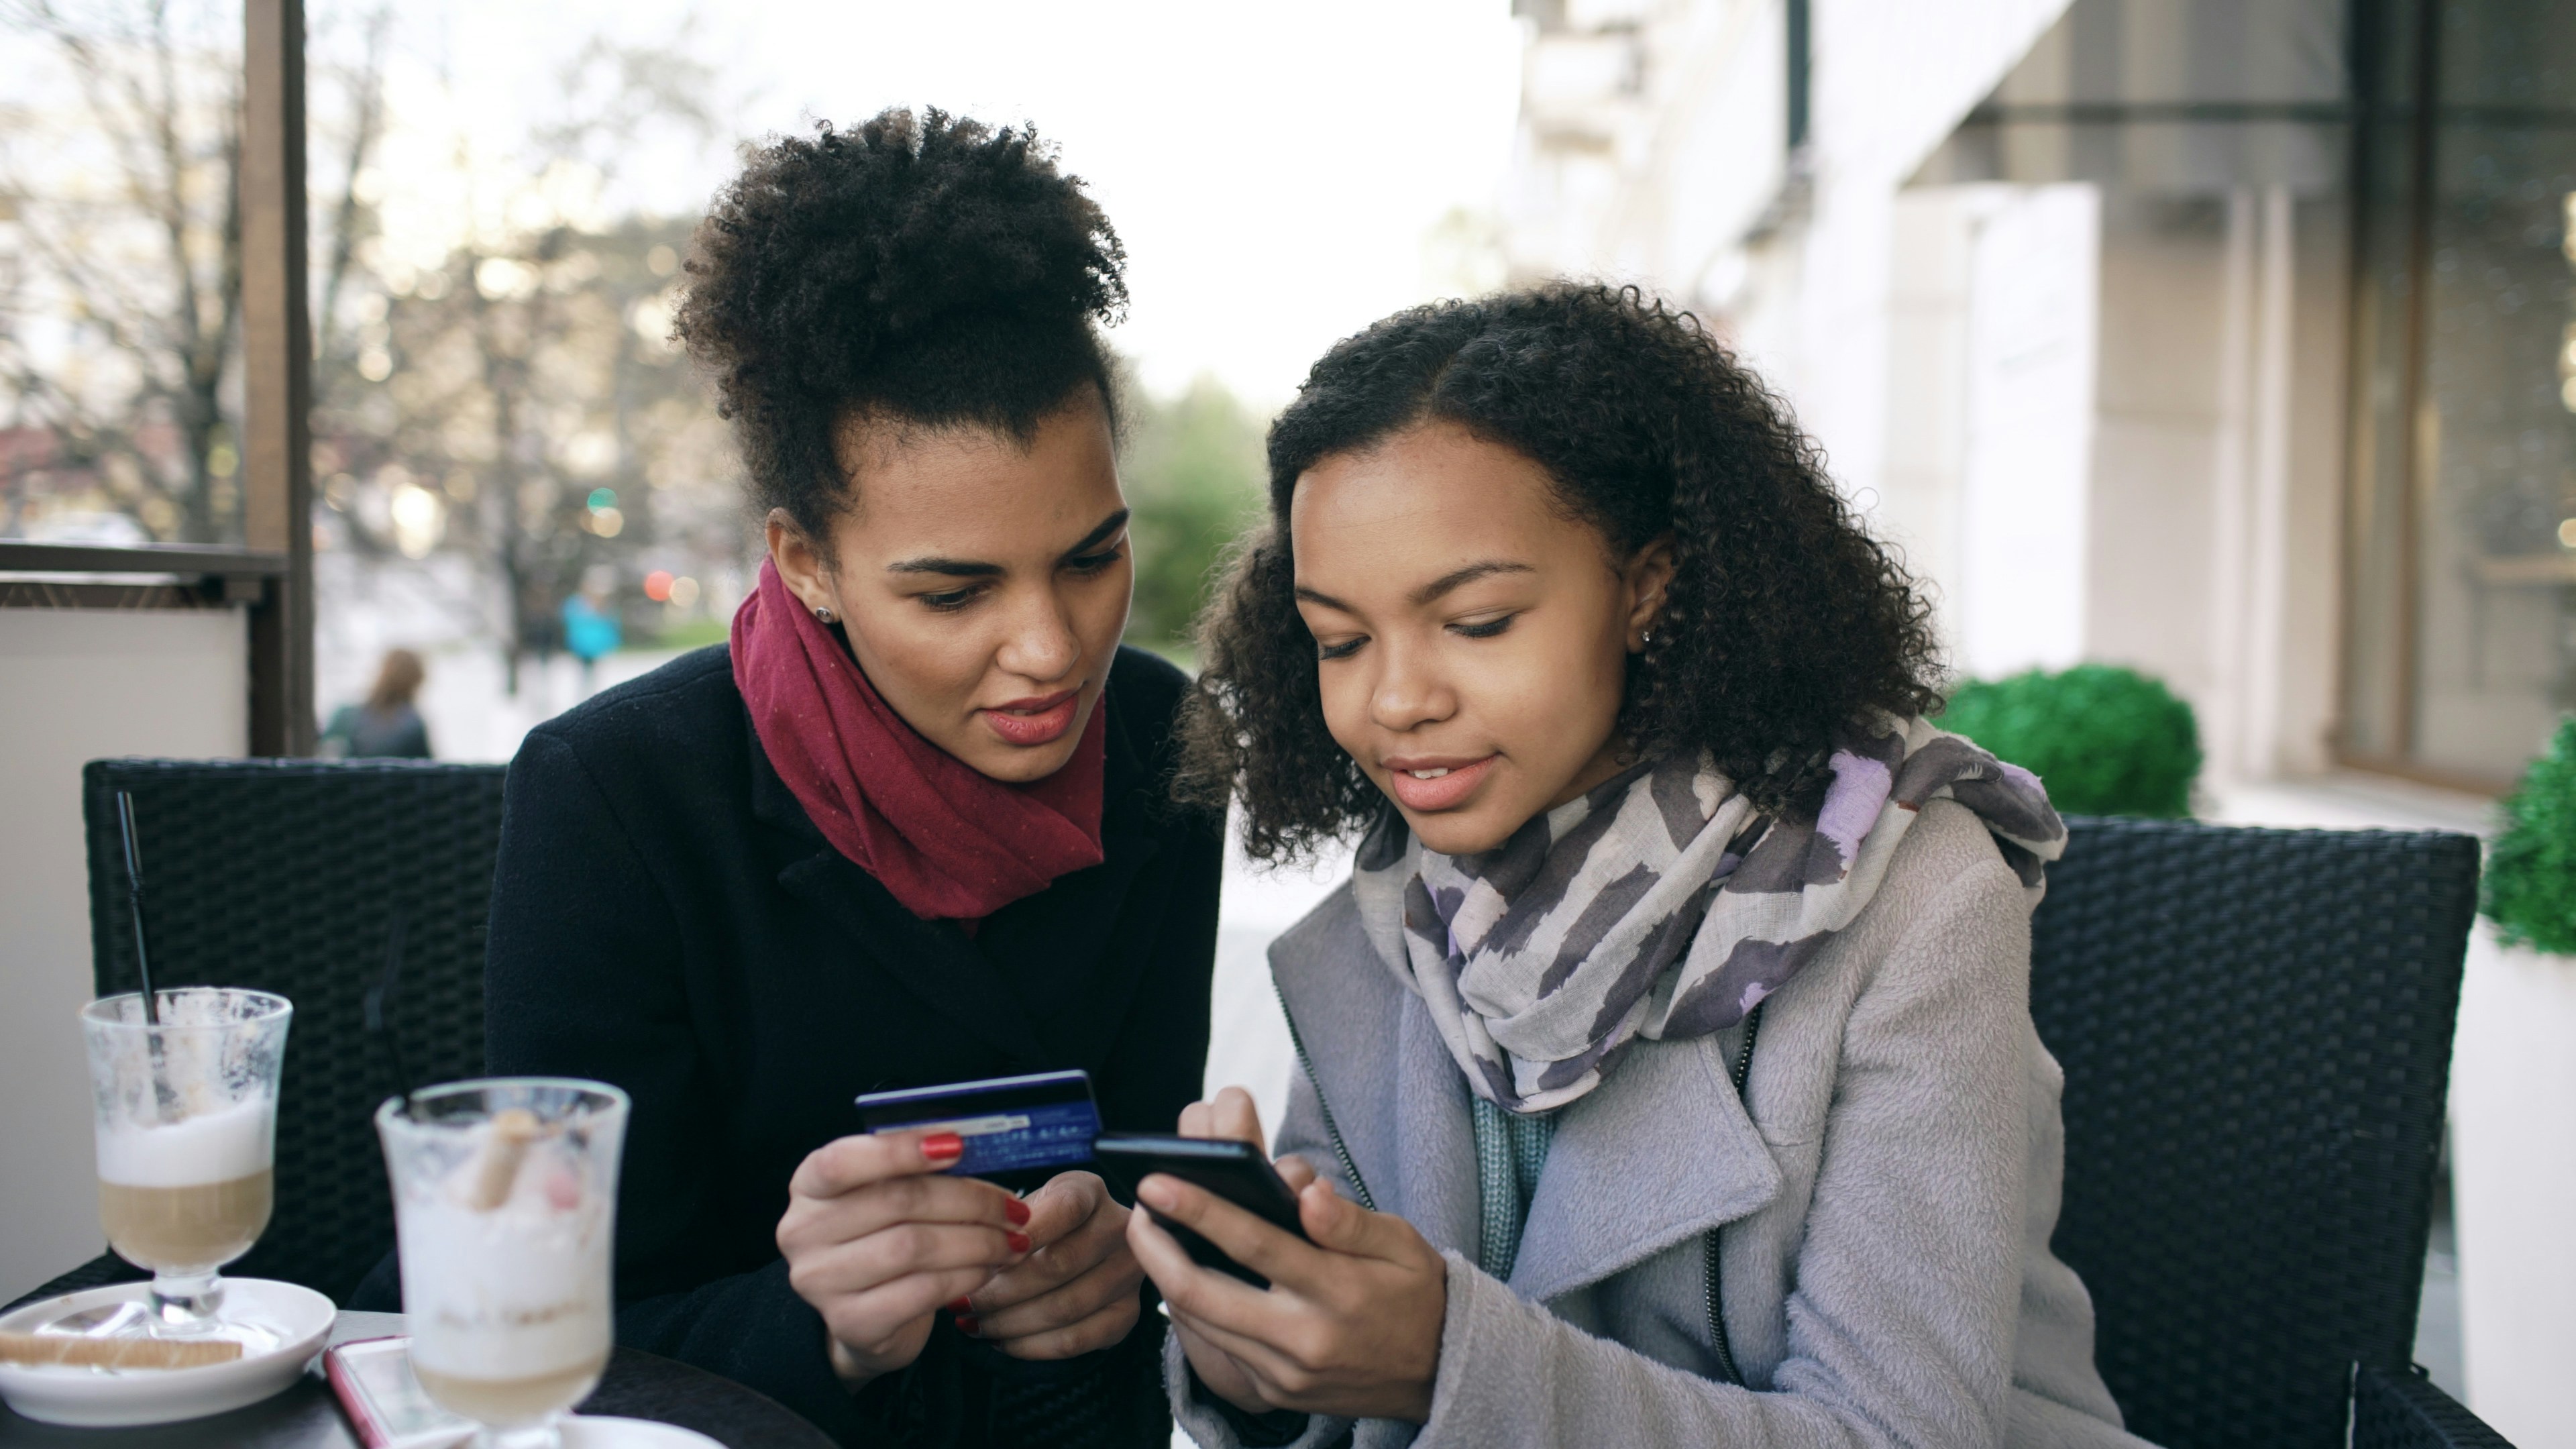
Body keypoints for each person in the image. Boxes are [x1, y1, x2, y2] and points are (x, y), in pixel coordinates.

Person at [1137, 284, 2154, 1448]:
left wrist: (1446, 1363)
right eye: (1340, 640)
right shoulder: (1395, 919)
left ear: (1647, 587)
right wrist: (1258, 1356)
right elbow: (1348, 1390)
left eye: (1475, 623)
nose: (1396, 700)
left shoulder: (1915, 899)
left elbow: (1900, 1433)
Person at [358, 110, 1223, 1447]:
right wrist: (812, 1319)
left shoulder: (1167, 744)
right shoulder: (619, 794)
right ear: (805, 561)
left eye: (1093, 558)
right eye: (954, 591)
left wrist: (1124, 1264)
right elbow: (554, 1314)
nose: (1053, 653)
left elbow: (1139, 1170)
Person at [320, 648, 432, 759]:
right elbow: (426, 769)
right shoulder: (413, 723)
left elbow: (321, 745)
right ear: (416, 681)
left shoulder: (347, 714)